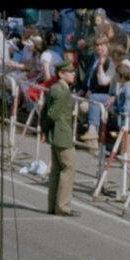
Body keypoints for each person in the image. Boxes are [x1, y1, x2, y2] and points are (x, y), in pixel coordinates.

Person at [42, 60, 80, 216]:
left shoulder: (55, 89)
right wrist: (46, 128)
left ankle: (53, 205)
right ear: (61, 74)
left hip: (55, 132)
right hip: (62, 133)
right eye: (69, 72)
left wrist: (45, 130)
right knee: (68, 168)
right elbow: (52, 114)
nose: (73, 74)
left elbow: (45, 111)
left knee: (57, 170)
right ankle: (63, 206)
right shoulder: (62, 91)